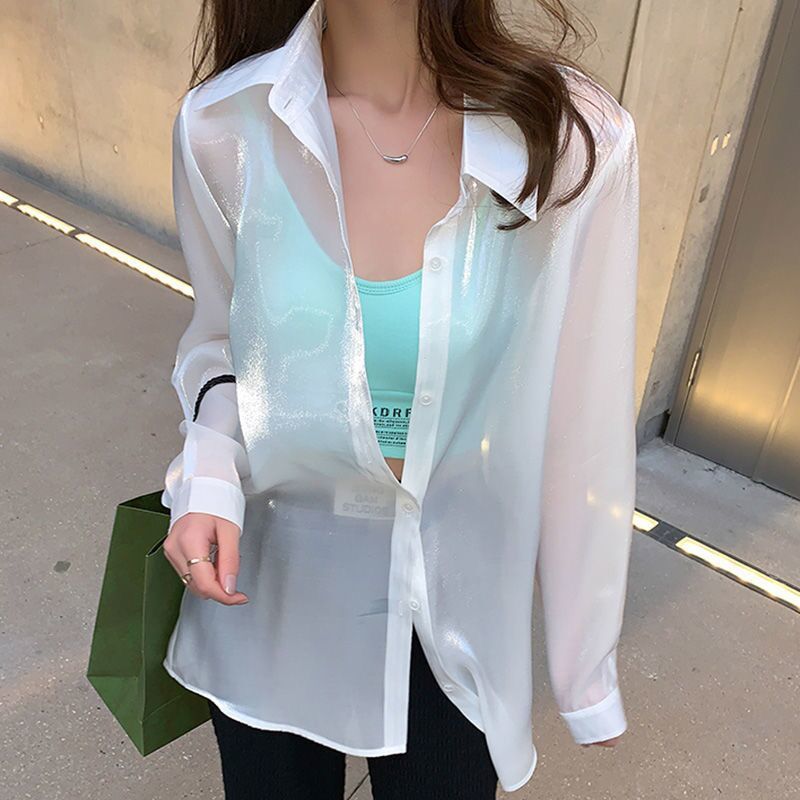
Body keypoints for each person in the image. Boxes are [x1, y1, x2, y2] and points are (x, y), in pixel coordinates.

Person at [159, 0, 640, 797]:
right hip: (271, 574)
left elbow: (581, 418)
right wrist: (207, 475)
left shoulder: (567, 142)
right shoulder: (224, 125)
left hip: (452, 602)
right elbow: (220, 340)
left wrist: (584, 668)